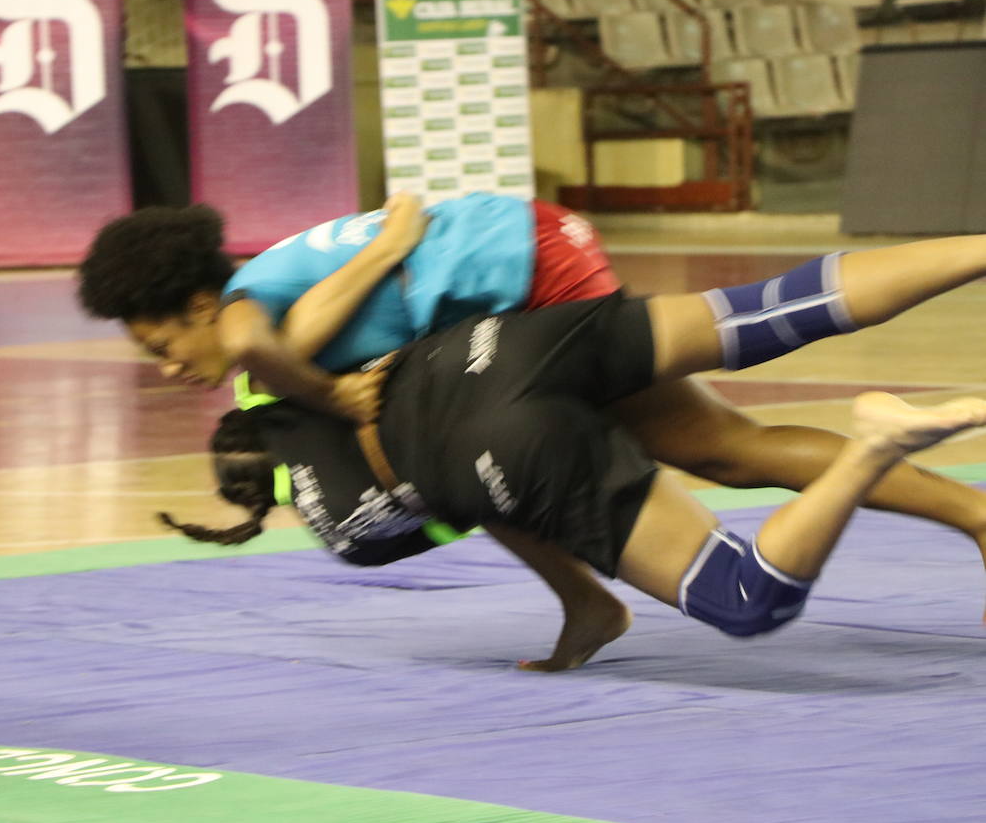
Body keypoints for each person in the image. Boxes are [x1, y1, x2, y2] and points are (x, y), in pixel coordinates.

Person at [78, 194, 986, 573]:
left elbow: (273, 351)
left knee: (724, 433)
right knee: (729, 420)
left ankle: (974, 515)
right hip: (523, 248)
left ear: (197, 300)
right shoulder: (263, 287)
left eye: (161, 340)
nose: (167, 367)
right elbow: (310, 325)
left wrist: (334, 397)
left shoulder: (244, 321)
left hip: (526, 269)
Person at [158, 285, 986, 670]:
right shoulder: (276, 362)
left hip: (508, 438)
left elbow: (478, 510)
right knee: (758, 357)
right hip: (521, 318)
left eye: (159, 346)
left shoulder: (342, 530)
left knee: (739, 559)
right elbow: (326, 309)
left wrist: (581, 598)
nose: (165, 366)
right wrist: (396, 232)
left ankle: (881, 451)